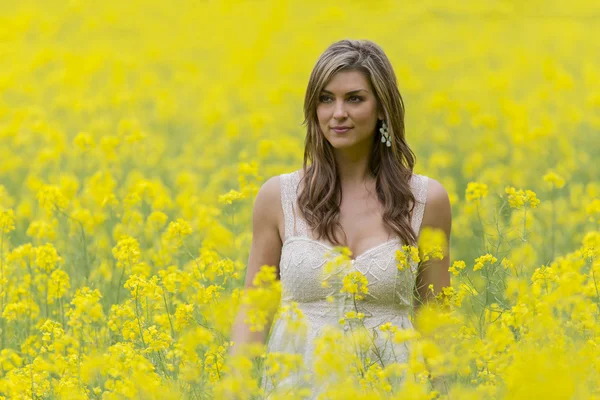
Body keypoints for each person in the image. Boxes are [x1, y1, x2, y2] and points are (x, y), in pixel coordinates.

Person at [229, 39, 452, 398]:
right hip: (297, 387)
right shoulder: (279, 197)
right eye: (325, 98)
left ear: (382, 108)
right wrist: (235, 387)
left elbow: (436, 318)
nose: (338, 113)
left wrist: (445, 390)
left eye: (355, 98)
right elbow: (254, 307)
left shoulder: (427, 201)